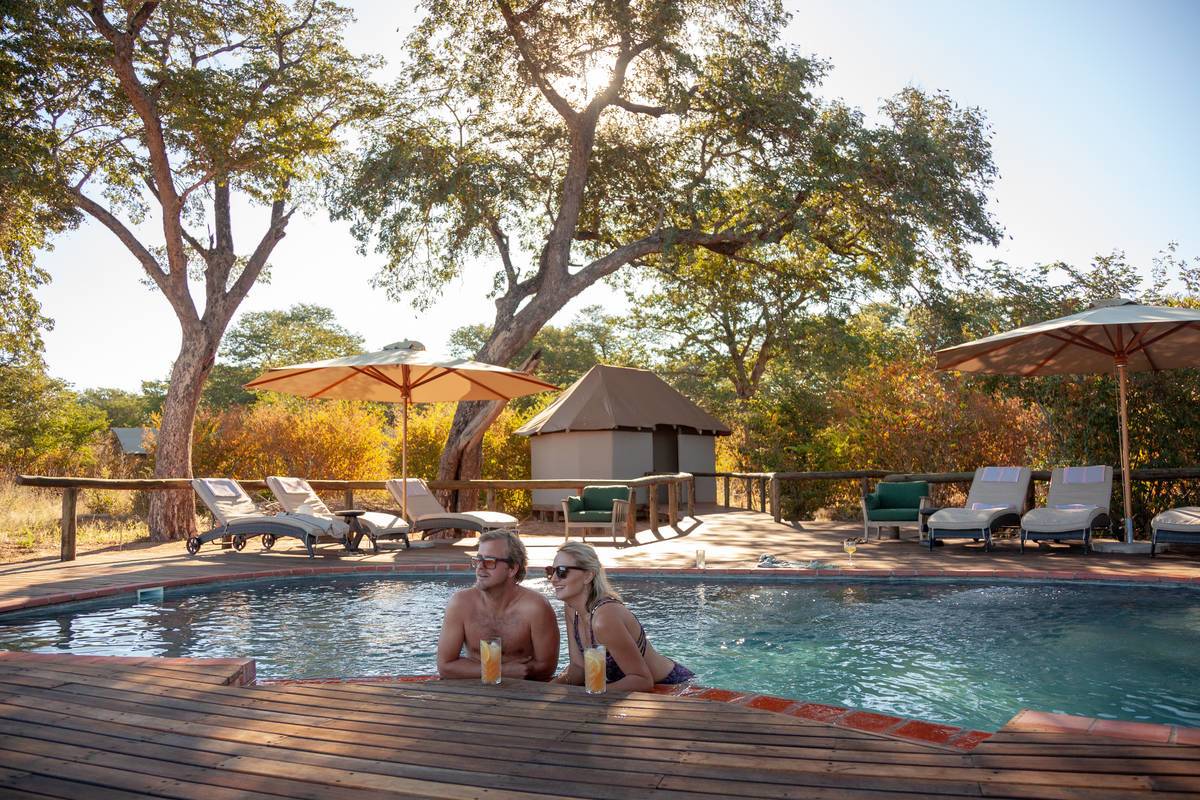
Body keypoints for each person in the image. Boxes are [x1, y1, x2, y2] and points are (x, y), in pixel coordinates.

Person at [548, 542, 694, 691]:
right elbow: (579, 668)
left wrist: (591, 694)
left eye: (561, 571)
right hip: (633, 691)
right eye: (550, 571)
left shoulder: (604, 619)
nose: (553, 579)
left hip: (675, 687)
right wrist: (545, 689)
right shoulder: (573, 610)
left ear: (588, 576)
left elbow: (643, 681)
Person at [436, 529, 559, 681]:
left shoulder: (535, 608)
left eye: (489, 562)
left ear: (512, 569)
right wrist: (502, 670)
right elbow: (445, 667)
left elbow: (547, 667)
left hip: (522, 694)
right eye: (478, 560)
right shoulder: (461, 604)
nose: (480, 567)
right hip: (473, 692)